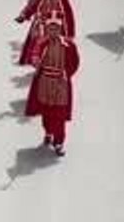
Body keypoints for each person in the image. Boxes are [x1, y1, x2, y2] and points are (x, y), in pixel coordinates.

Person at [23, 16, 79, 157]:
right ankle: (48, 132)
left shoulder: (69, 45)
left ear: (60, 30)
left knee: (59, 115)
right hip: (45, 83)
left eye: (56, 28)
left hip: (61, 84)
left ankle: (59, 142)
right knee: (47, 112)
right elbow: (34, 55)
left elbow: (74, 63)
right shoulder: (42, 43)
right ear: (47, 30)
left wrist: (65, 74)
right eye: (50, 29)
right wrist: (35, 60)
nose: (53, 31)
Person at [15, 0, 75, 67]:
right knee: (38, 45)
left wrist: (70, 34)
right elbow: (32, 7)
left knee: (57, 48)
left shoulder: (63, 0)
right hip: (42, 28)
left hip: (58, 29)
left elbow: (69, 17)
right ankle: (38, 64)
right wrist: (24, 15)